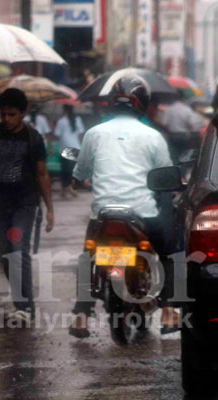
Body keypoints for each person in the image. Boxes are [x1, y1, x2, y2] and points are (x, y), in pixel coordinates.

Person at [68, 73, 179, 338]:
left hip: (104, 214)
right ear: (142, 102)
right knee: (168, 253)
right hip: (142, 213)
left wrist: (78, 182)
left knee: (87, 257)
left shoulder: (93, 134)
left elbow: (80, 172)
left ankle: (82, 317)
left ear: (111, 102)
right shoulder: (153, 136)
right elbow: (165, 176)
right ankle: (169, 311)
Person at [0, 88, 55, 322]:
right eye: (3, 114)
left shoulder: (33, 138)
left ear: (23, 113)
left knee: (18, 249)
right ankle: (20, 300)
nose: (7, 119)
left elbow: (42, 174)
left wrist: (50, 208)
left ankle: (25, 306)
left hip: (24, 203)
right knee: (5, 254)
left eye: (12, 114)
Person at [159, 92, 205, 163]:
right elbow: (192, 124)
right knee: (184, 157)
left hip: (172, 136)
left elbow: (164, 123)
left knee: (174, 156)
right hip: (184, 136)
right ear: (183, 99)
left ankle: (177, 170)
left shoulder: (169, 109)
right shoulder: (186, 109)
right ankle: (184, 171)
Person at [54, 104, 85, 198]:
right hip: (75, 147)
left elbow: (57, 135)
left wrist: (52, 126)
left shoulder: (61, 121)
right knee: (72, 170)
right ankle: (71, 188)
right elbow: (80, 134)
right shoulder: (77, 119)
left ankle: (65, 190)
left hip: (65, 148)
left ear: (64, 110)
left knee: (65, 171)